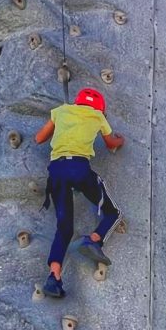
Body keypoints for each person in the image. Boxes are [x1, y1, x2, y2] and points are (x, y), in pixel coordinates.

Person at [34, 88, 126, 299]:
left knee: (64, 228)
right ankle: (94, 239)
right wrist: (121, 140)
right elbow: (111, 142)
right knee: (113, 213)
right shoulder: (98, 116)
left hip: (56, 171)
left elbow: (39, 138)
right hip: (79, 168)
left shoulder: (61, 111)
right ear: (100, 108)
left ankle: (54, 277)